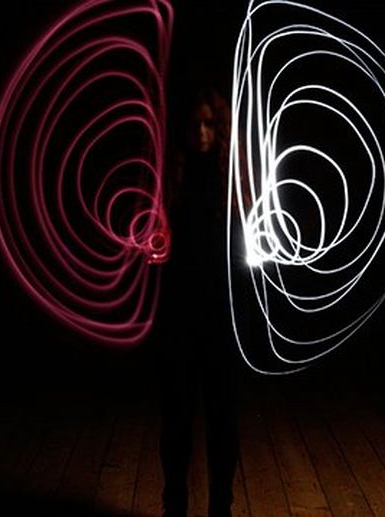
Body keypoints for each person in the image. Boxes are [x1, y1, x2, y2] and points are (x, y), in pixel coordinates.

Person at [154, 88, 239, 517]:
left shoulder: (235, 187)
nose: (202, 133)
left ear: (220, 129)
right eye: (195, 125)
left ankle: (220, 507)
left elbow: (244, 257)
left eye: (210, 124)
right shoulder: (170, 185)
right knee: (177, 422)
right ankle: (175, 505)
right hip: (180, 318)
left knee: (223, 422)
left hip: (222, 321)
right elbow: (155, 249)